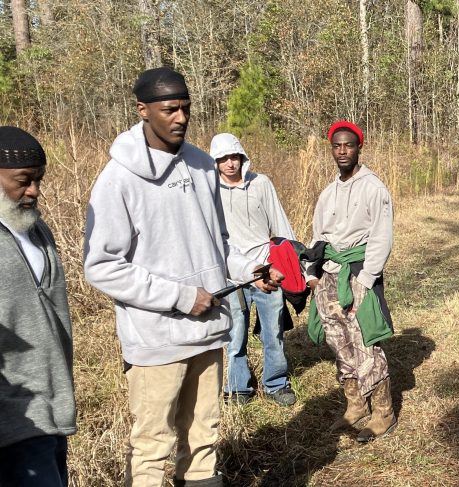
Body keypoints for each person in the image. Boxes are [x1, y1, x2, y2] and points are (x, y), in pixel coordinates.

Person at [83, 68, 283, 487]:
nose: (180, 118)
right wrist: (179, 296)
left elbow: (218, 241)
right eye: (169, 109)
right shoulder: (117, 180)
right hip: (157, 340)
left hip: (209, 330)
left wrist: (249, 271)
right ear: (143, 111)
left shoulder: (201, 165)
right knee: (154, 446)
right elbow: (101, 266)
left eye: (185, 109)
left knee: (204, 440)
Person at [305, 121, 397, 442]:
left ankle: (383, 411)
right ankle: (355, 403)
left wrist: (367, 278)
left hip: (358, 271)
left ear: (359, 147)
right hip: (329, 273)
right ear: (332, 149)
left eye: (349, 145)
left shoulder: (374, 188)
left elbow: (382, 236)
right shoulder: (328, 193)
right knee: (337, 337)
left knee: (365, 339)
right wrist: (313, 274)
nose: (342, 151)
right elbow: (318, 236)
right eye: (337, 146)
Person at [0, 126, 76, 486]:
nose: (33, 191)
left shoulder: (36, 229)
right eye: (23, 181)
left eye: (39, 180)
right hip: (14, 413)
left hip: (54, 402)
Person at [209, 133, 297, 407]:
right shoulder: (210, 191)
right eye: (223, 159)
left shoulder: (261, 184)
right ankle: (238, 389)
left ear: (243, 158)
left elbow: (280, 226)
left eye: (234, 157)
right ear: (216, 162)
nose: (230, 164)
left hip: (266, 270)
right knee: (235, 335)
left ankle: (276, 384)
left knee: (273, 331)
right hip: (232, 275)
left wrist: (292, 264)